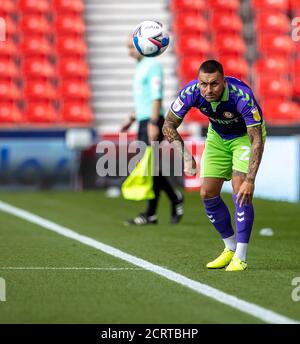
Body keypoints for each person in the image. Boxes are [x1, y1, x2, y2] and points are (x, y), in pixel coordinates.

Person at [162, 60, 266, 271]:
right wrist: (185, 156)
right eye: (203, 84)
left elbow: (256, 139)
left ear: (224, 81)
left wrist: (250, 180)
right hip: (218, 137)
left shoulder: (241, 97)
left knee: (240, 190)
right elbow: (168, 124)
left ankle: (241, 256)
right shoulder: (191, 92)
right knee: (207, 193)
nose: (208, 89)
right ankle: (229, 248)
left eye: (214, 84)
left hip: (244, 138)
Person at [120, 37, 184, 226]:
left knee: (150, 167)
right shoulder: (141, 67)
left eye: (132, 46)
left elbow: (156, 97)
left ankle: (153, 212)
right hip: (143, 120)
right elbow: (144, 99)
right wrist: (131, 118)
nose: (129, 51)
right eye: (128, 47)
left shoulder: (152, 66)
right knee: (152, 168)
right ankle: (168, 203)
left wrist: (153, 123)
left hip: (151, 121)